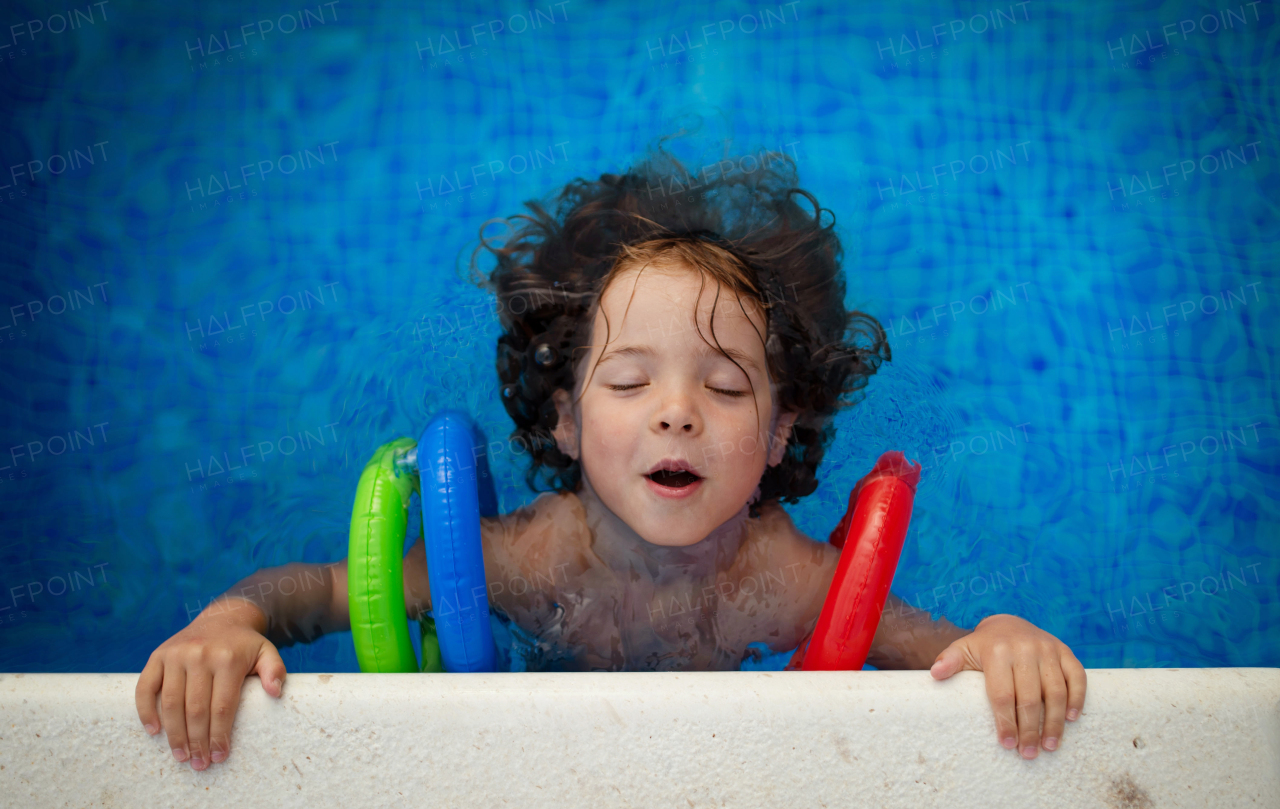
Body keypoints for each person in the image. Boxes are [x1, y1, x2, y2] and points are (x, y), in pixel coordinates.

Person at [136, 145, 1085, 772]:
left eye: (722, 388)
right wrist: (228, 621)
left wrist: (1001, 635)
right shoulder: (531, 559)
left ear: (783, 431)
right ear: (566, 422)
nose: (676, 414)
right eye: (629, 384)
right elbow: (322, 593)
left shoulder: (782, 579)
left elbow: (937, 645)